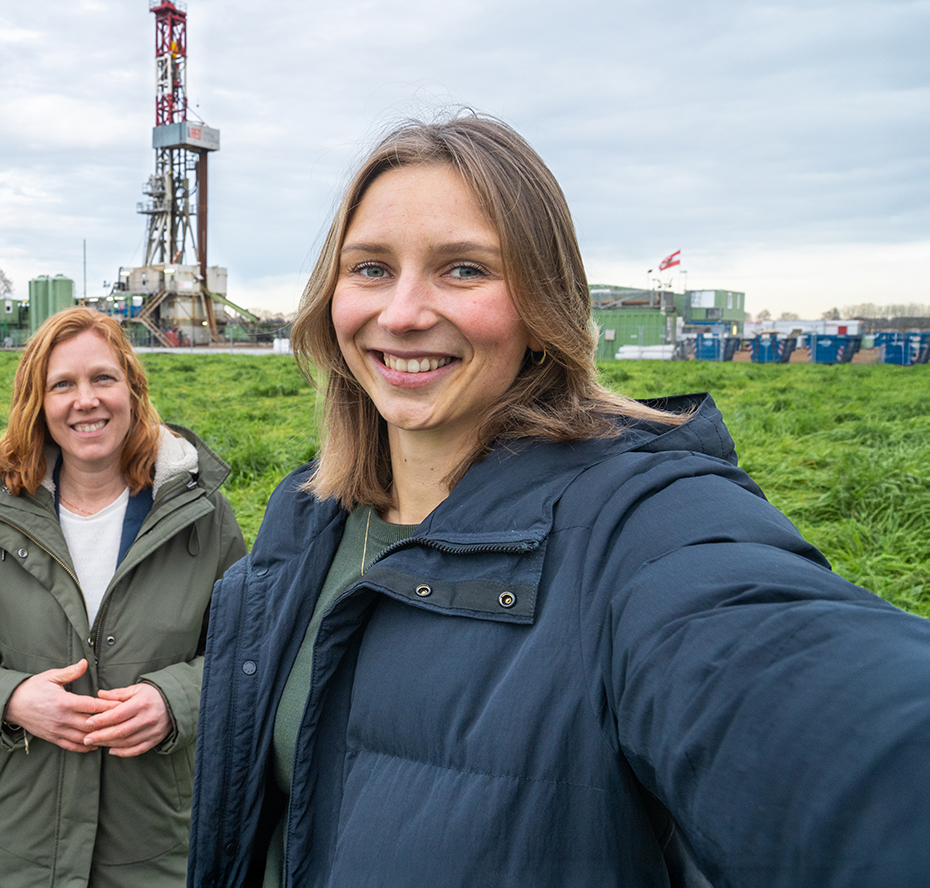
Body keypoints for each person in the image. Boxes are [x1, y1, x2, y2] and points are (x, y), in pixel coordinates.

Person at [186, 113, 930, 888]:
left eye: (464, 269)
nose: (402, 313)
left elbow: (787, 674)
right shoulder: (303, 516)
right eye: (370, 267)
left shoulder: (638, 525)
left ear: (542, 311)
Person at [0, 308, 248, 888]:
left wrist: (174, 700)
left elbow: (247, 653)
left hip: (154, 845)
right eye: (62, 385)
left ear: (131, 388)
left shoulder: (200, 514)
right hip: (12, 847)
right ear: (38, 403)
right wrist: (13, 699)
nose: (85, 400)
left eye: (102, 378)